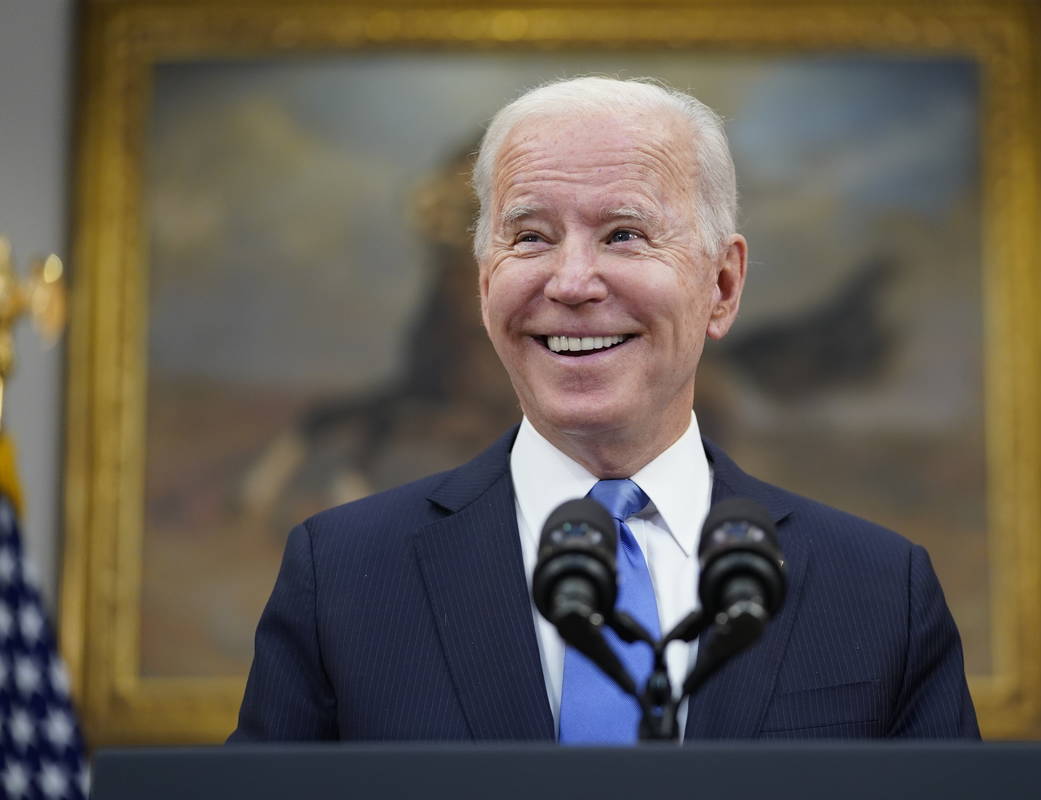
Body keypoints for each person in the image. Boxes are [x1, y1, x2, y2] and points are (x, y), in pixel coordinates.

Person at [229, 76, 979, 742]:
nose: (573, 282)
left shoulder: (879, 591)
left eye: (624, 234)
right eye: (530, 237)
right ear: (487, 280)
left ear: (722, 286)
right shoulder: (343, 577)